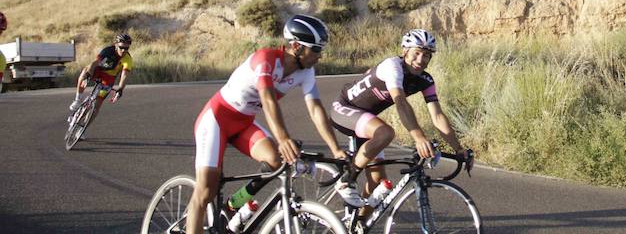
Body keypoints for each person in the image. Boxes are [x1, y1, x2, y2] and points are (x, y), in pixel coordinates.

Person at [185, 14, 347, 234]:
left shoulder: (306, 72)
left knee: (275, 160)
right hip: (216, 119)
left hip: (243, 122)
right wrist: (283, 139)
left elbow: (316, 109)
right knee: (205, 192)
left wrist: (336, 149)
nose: (320, 56)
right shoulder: (266, 59)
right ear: (297, 47)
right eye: (316, 50)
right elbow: (268, 100)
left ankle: (233, 205)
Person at [330, 28, 474, 210]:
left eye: (426, 55)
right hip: (345, 108)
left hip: (367, 120)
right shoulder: (393, 67)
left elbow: (437, 116)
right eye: (417, 53)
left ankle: (357, 225)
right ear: (405, 51)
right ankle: (346, 179)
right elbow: (401, 103)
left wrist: (458, 148)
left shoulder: (426, 80)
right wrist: (419, 138)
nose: (421, 60)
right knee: (386, 133)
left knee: (378, 183)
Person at [68, 32, 133, 125]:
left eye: (126, 48)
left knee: (96, 107)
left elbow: (125, 75)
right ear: (116, 45)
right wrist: (88, 74)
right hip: (98, 71)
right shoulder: (108, 51)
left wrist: (120, 89)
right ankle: (78, 100)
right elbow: (94, 63)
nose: (123, 50)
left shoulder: (127, 59)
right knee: (85, 71)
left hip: (109, 78)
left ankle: (82, 128)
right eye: (121, 47)